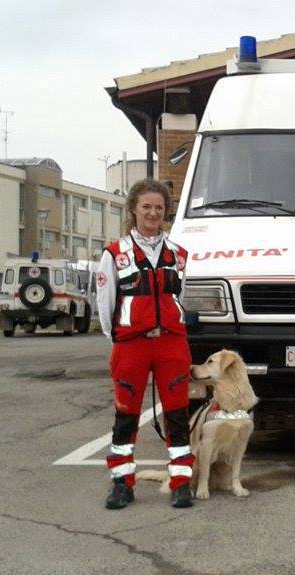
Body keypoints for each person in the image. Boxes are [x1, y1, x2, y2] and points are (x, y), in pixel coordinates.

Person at [97, 178, 194, 509]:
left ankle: (181, 481)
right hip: (131, 345)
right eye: (146, 207)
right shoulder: (114, 254)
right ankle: (122, 483)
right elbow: (105, 302)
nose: (153, 213)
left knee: (178, 413)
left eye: (159, 208)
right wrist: (122, 338)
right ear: (133, 209)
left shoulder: (179, 254)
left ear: (166, 212)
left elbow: (180, 298)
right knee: (126, 414)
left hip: (171, 344)